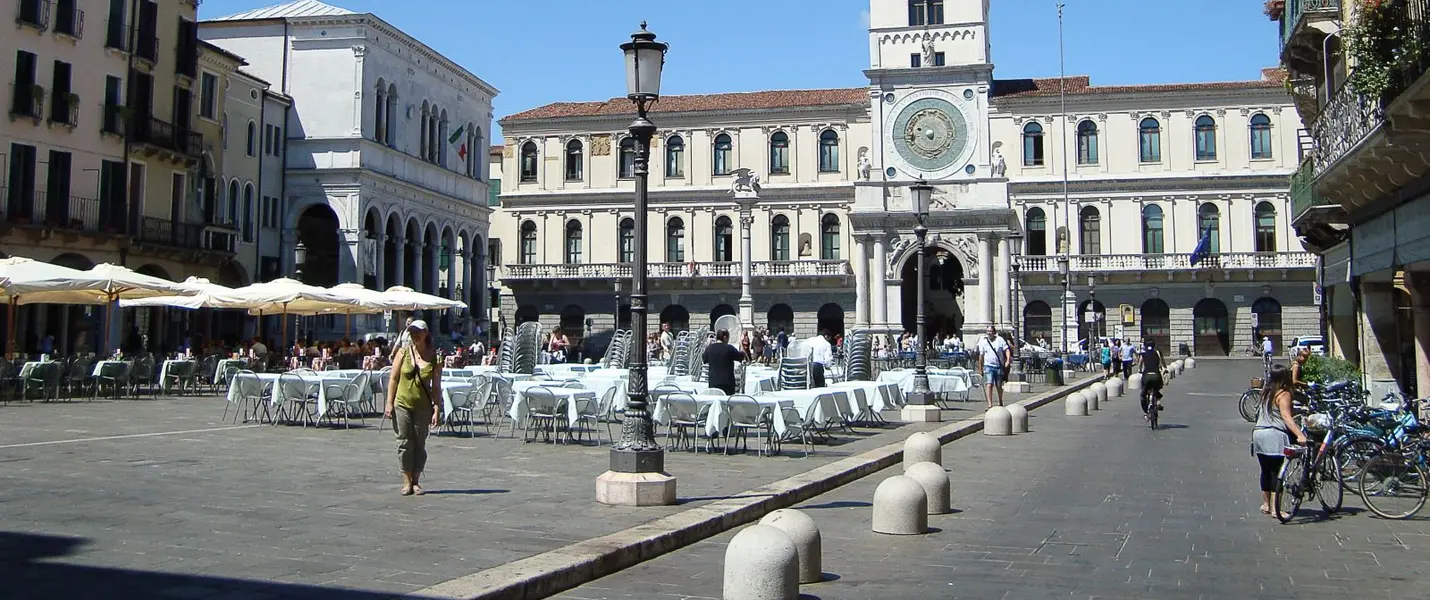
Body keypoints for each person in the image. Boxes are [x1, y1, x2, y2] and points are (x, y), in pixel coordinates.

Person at [385, 320, 442, 496]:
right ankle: (406, 481)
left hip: (422, 406)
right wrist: (389, 403)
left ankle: (416, 481)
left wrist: (437, 408)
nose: (415, 335)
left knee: (419, 443)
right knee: (404, 442)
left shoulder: (434, 357)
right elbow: (393, 379)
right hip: (401, 404)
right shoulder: (403, 353)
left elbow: (436, 387)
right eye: (412, 332)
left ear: (426, 333)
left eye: (418, 332)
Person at [1252, 364, 1309, 517]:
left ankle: (1266, 505)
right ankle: (1276, 509)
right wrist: (1299, 434)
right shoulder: (1283, 394)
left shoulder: (1265, 392)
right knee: (1277, 472)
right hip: (1274, 435)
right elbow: (1286, 417)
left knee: (1265, 470)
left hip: (1259, 433)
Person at [975, 325, 1011, 409]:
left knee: (999, 385)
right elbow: (981, 355)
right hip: (988, 366)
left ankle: (1000, 400)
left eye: (990, 331)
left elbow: (1007, 350)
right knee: (989, 384)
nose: (989, 333)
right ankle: (990, 404)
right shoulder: (983, 341)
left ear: (994, 332)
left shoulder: (1000, 340)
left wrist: (1008, 360)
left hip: (998, 366)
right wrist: (980, 367)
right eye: (988, 331)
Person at [703, 330, 746, 395]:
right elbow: (741, 356)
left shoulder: (709, 349)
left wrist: (708, 346)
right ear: (725, 337)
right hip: (727, 383)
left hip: (713, 382)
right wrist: (742, 345)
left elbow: (704, 359)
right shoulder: (729, 348)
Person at [1138, 341, 1166, 419]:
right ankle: (1157, 401)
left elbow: (1140, 363)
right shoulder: (1158, 352)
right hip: (1156, 376)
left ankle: (1147, 412)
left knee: (1143, 395)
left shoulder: (1143, 354)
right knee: (1157, 389)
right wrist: (1165, 369)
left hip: (1146, 376)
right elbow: (1163, 363)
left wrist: (1139, 370)